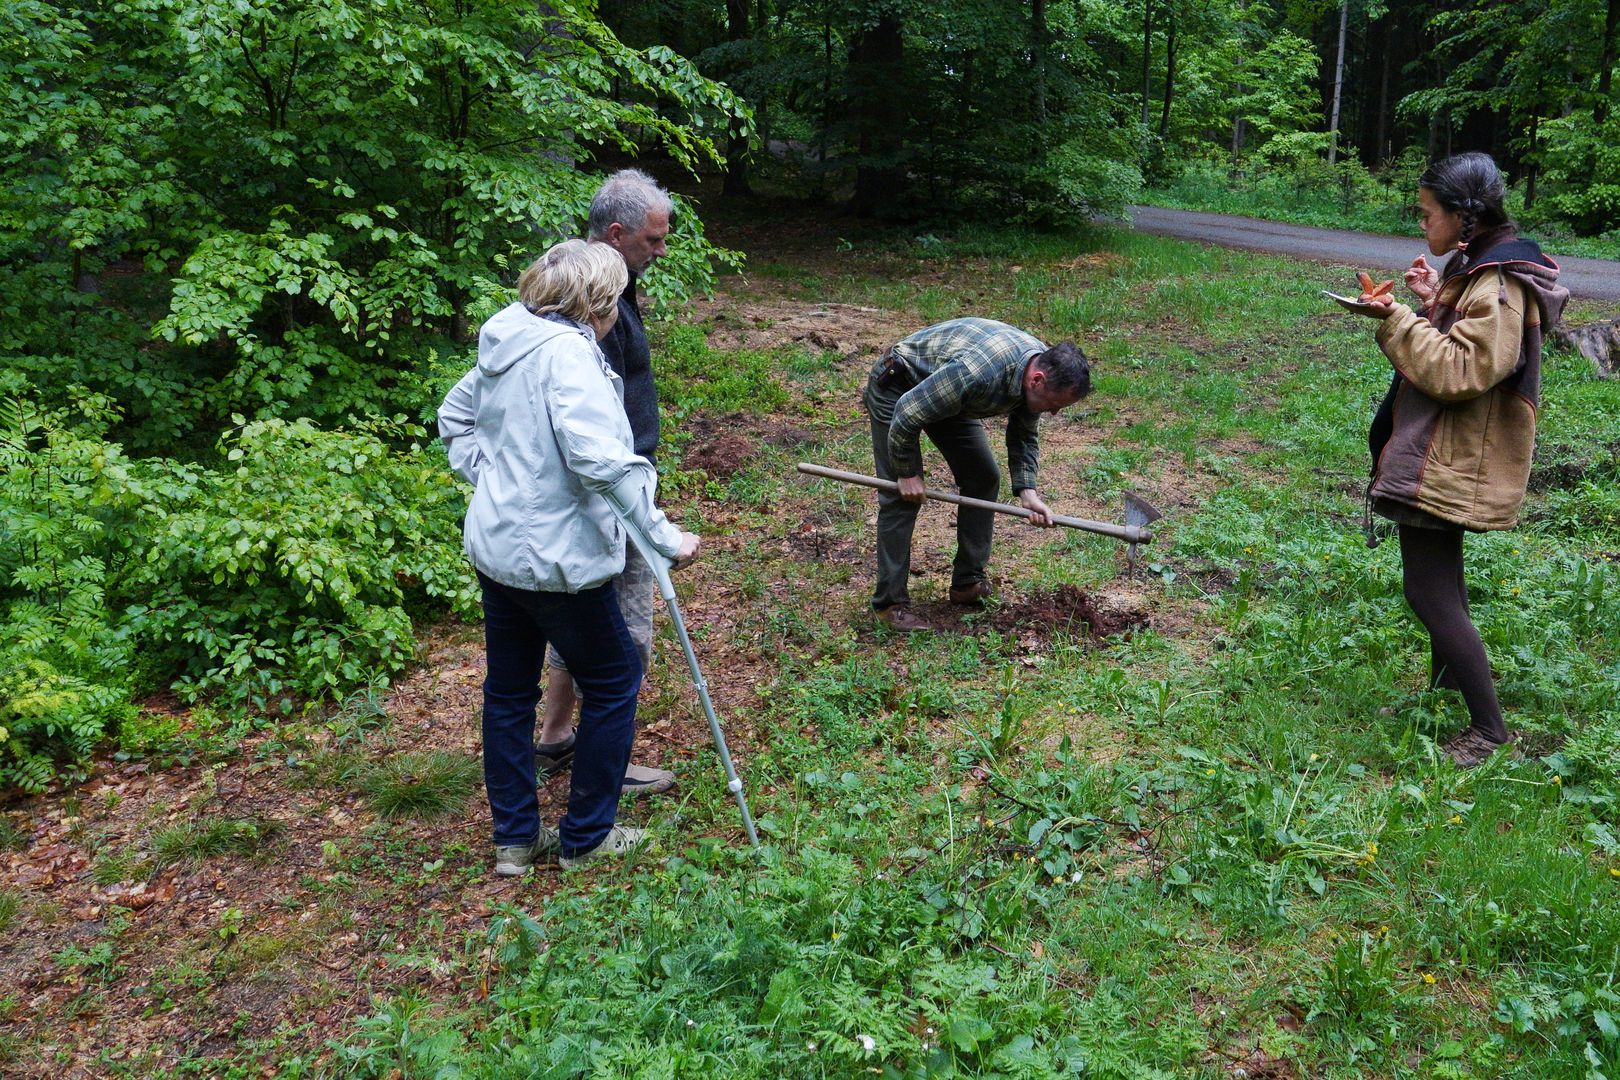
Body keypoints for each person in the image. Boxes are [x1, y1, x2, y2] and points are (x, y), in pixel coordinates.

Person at [445, 239, 699, 874]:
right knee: (614, 679)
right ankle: (586, 837)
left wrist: (497, 481)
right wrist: (664, 538)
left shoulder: (510, 338)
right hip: (554, 561)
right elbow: (600, 462)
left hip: (499, 549)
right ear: (598, 303)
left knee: (507, 691)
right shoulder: (566, 357)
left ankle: (515, 842)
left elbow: (455, 415)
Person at [1350, 151, 1567, 768]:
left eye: (1427, 214)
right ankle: (1448, 689)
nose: (1422, 225)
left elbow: (1464, 370)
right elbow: (1462, 342)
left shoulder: (1497, 281)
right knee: (1441, 583)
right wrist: (1431, 302)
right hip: (1443, 450)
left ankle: (1490, 730)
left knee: (1428, 591)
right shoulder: (1479, 269)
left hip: (1449, 456)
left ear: (1463, 217)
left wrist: (1394, 318)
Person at [863, 317, 1092, 631]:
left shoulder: (1040, 367)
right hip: (901, 388)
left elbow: (1023, 434)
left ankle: (967, 583)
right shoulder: (978, 372)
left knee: (983, 478)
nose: (1052, 412)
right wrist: (906, 473)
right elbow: (908, 411)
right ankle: (890, 606)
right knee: (902, 498)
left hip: (951, 398)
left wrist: (1028, 493)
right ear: (1036, 380)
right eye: (1053, 405)